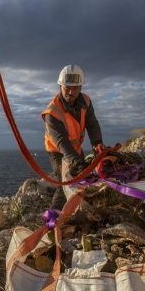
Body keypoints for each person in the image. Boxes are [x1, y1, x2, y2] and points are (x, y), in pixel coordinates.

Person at [41, 65, 103, 210]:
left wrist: (97, 143)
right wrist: (78, 162)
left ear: (80, 87)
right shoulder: (52, 112)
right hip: (58, 151)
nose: (70, 92)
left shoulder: (86, 101)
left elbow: (92, 124)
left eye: (75, 88)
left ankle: (77, 211)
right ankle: (52, 220)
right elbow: (62, 143)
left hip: (75, 148)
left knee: (83, 180)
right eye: (67, 88)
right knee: (64, 184)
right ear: (60, 86)